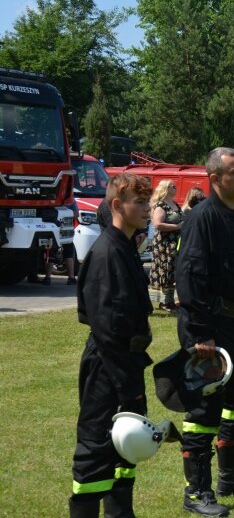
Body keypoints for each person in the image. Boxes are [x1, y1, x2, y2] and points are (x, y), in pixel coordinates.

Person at [176, 147, 234, 517]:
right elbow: (190, 276)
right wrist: (201, 333)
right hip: (208, 328)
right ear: (214, 178)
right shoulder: (203, 217)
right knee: (204, 408)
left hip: (233, 324)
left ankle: (232, 476)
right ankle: (196, 493)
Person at [69, 172, 154, 518]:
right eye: (140, 202)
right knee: (96, 450)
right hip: (108, 369)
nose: (148, 208)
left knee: (126, 448)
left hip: (125, 366)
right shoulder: (107, 252)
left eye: (148, 201)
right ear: (118, 205)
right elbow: (107, 330)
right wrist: (127, 389)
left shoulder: (126, 246)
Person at [149, 179, 183, 312]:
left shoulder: (174, 204)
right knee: (166, 269)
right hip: (164, 244)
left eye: (175, 185)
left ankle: (170, 302)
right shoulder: (161, 205)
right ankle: (164, 302)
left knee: (173, 270)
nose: (175, 187)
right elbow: (157, 224)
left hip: (175, 243)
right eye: (171, 186)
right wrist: (177, 226)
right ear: (165, 188)